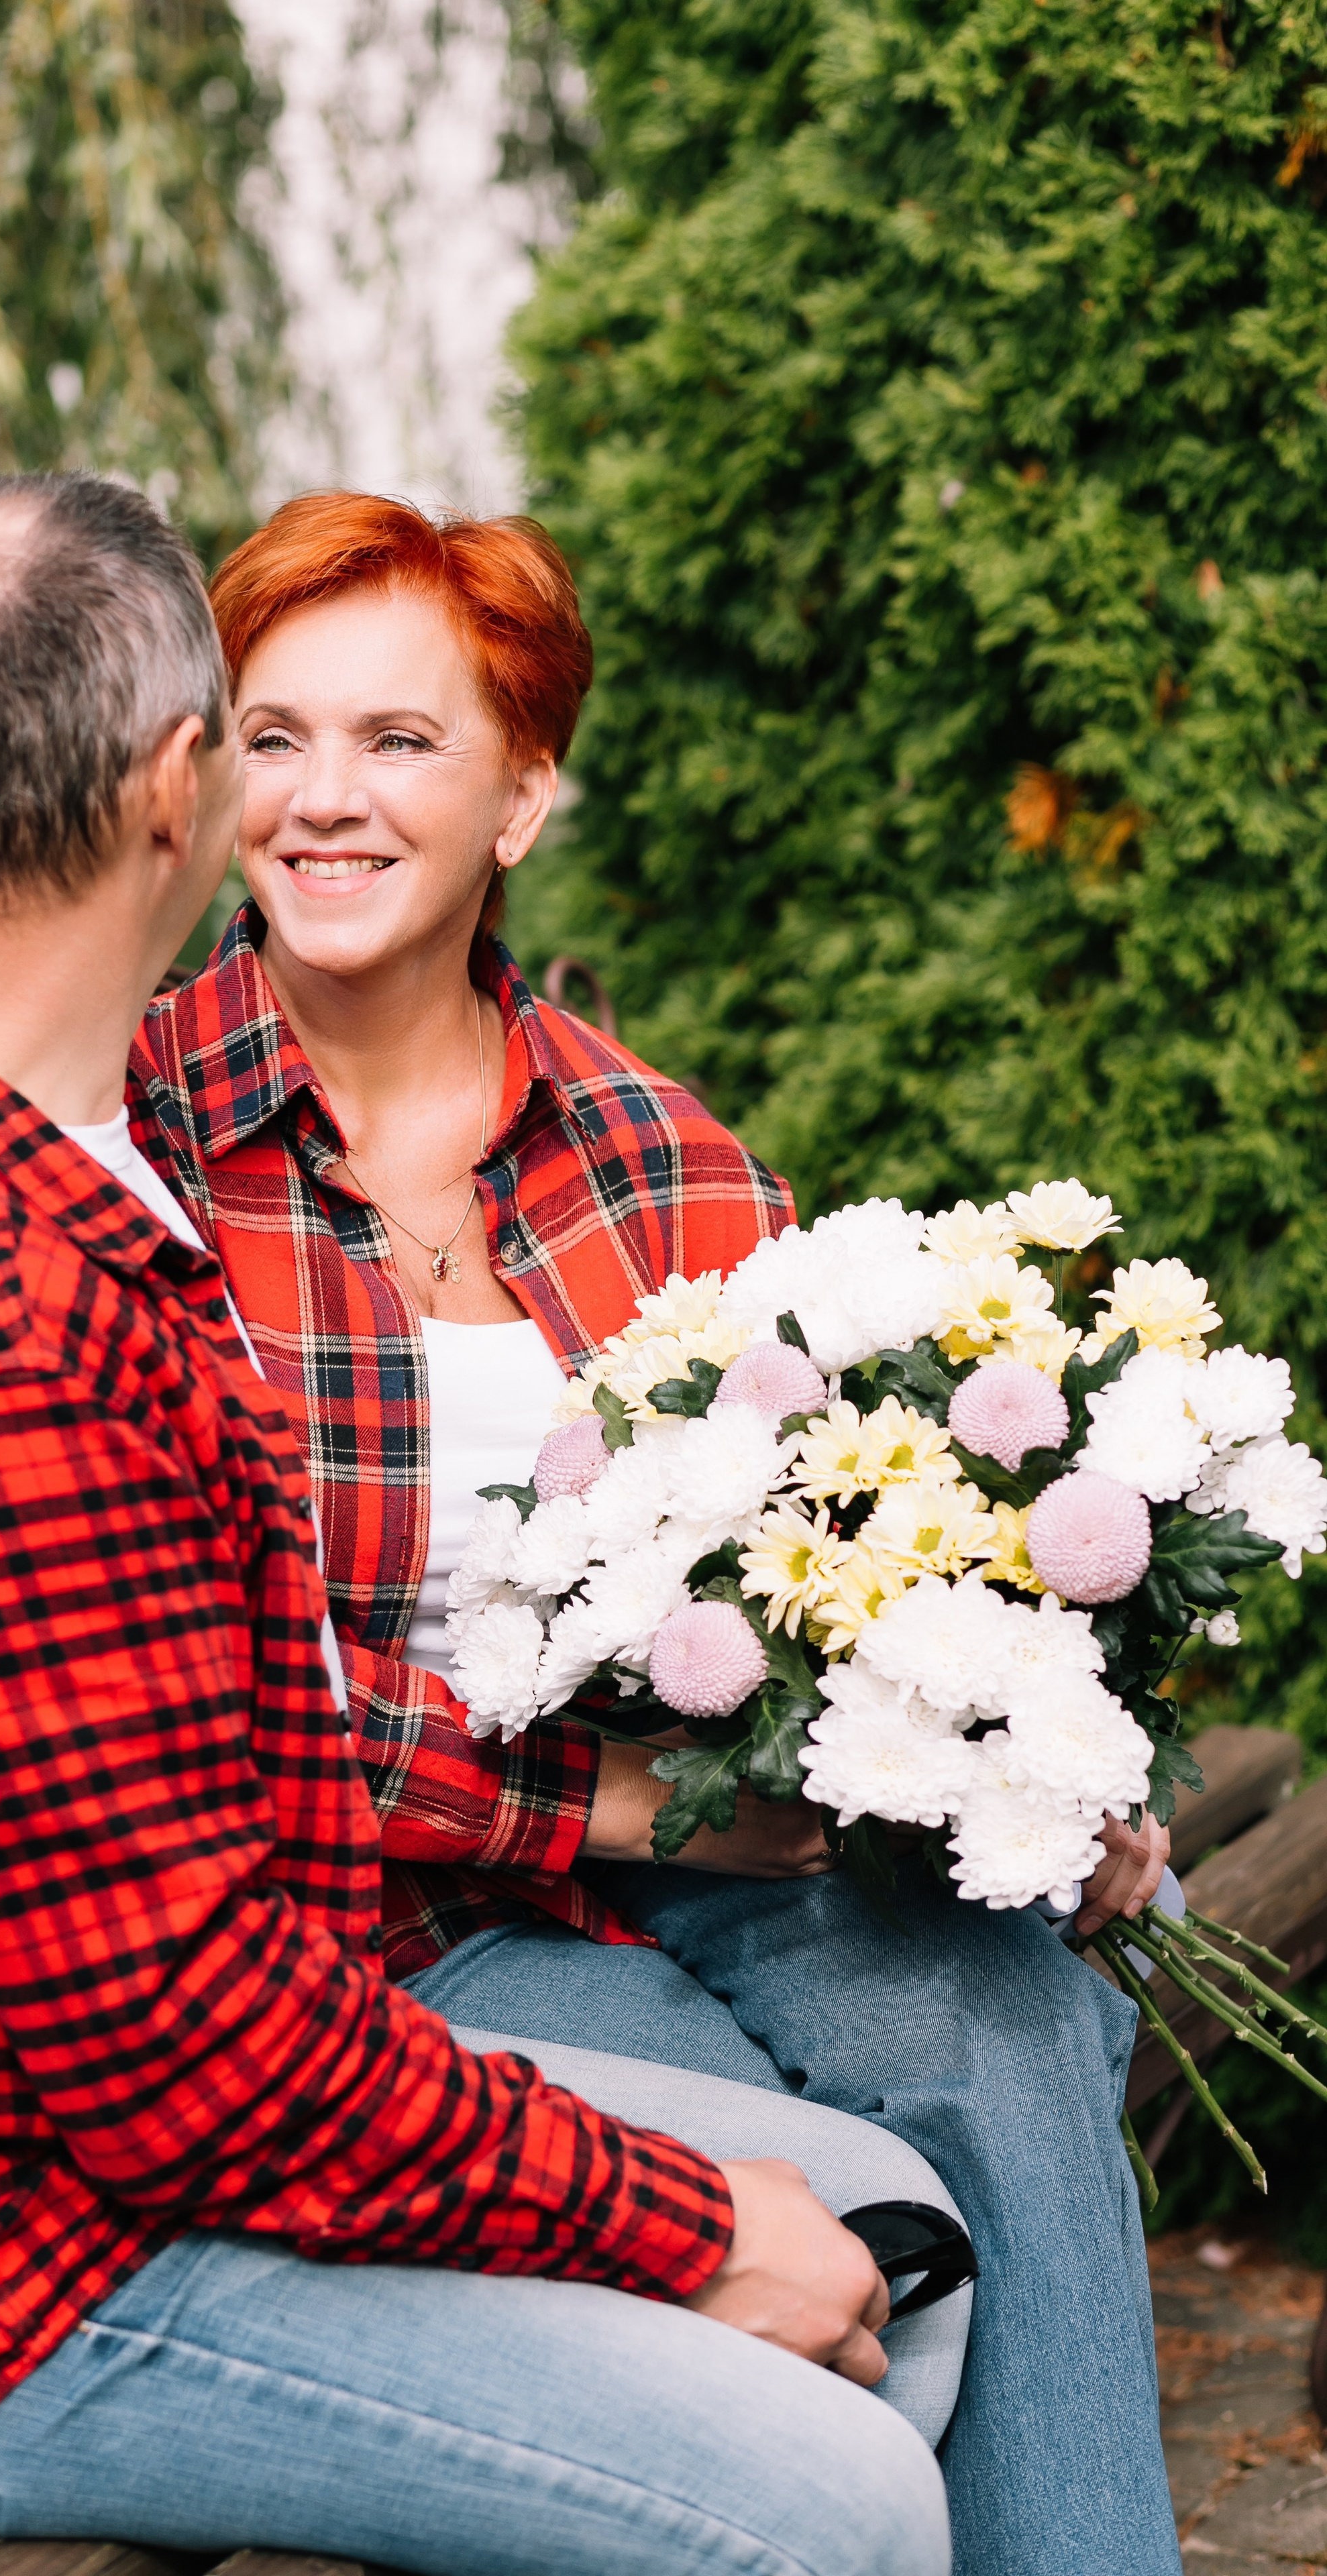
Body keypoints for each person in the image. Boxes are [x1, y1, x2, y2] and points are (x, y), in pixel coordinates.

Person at [0, 472, 957, 2576]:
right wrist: (683, 2227)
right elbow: (182, 2048)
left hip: (62, 2098)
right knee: (837, 2489)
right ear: (184, 791)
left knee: (891, 2246)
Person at [136, 490, 1185, 2576]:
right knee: (824, 2192)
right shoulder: (139, 1150)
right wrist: (611, 1811)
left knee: (1006, 2030)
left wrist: (1029, 1763)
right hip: (377, 1913)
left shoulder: (656, 1154)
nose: (325, 799)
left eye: (400, 742)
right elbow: (199, 1702)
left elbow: (843, 1550)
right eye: (274, 737)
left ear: (522, 797)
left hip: (705, 1840)